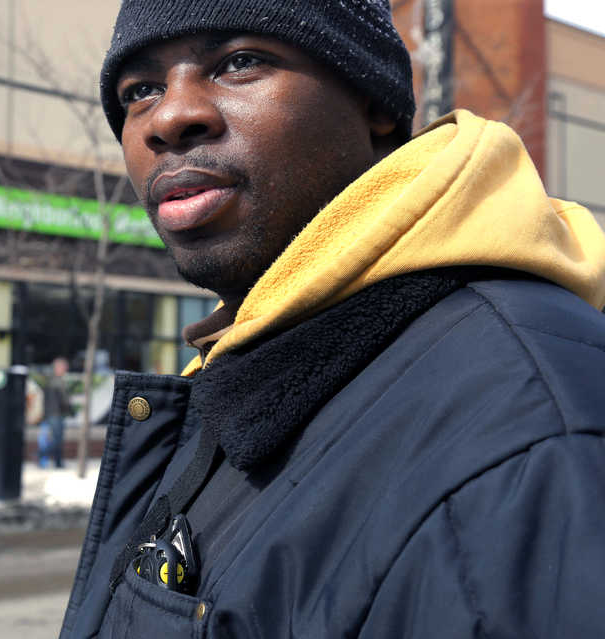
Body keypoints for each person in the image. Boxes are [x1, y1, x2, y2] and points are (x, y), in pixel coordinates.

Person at [59, 1, 605, 637]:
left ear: (374, 104)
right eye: (141, 91)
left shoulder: (533, 427)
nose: (170, 118)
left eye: (240, 62)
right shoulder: (248, 367)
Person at [39, 356, 70, 468]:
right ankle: (54, 461)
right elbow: (64, 400)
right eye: (64, 367)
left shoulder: (49, 381)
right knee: (57, 439)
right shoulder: (58, 381)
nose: (66, 369)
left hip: (49, 413)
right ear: (58, 368)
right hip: (56, 414)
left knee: (50, 438)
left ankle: (53, 460)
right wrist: (69, 409)